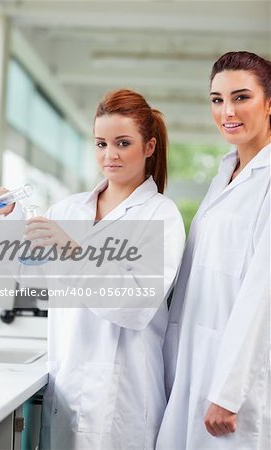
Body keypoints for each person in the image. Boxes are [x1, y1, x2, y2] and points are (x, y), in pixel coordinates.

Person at [0, 89, 185, 449]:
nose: (110, 155)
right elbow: (32, 275)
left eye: (123, 143)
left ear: (149, 147)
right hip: (69, 385)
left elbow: (135, 306)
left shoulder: (161, 215)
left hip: (123, 397)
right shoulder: (69, 210)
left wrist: (72, 250)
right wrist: (4, 221)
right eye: (101, 143)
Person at [156, 51, 271, 450]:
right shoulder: (224, 173)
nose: (227, 111)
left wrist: (229, 391)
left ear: (269, 103)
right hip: (193, 362)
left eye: (241, 97)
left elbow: (263, 294)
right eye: (217, 99)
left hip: (234, 387)